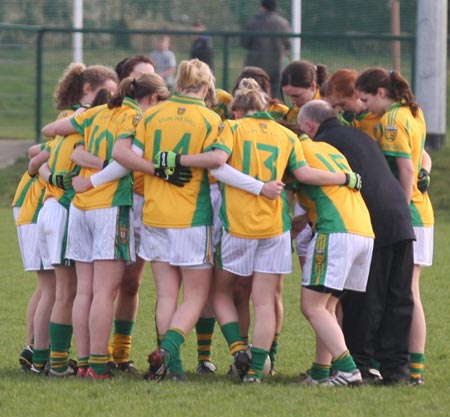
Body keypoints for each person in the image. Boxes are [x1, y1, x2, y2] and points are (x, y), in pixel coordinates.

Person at [152, 78, 362, 384]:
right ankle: (256, 372)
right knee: (264, 302)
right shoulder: (285, 134)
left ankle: (235, 348)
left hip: (239, 226)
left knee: (220, 293)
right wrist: (344, 178)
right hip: (276, 228)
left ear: (237, 111)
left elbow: (217, 162)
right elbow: (303, 174)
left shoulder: (232, 129)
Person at [42, 74, 167, 379]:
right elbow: (123, 159)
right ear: (151, 99)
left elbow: (59, 134)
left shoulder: (97, 112)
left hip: (80, 208)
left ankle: (83, 363)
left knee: (84, 291)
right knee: (104, 292)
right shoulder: (135, 116)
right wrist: (95, 180)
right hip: (108, 205)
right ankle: (99, 365)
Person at [112, 59, 222, 382]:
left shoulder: (153, 115)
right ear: (205, 87)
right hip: (191, 218)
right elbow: (217, 162)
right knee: (197, 296)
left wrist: (157, 167)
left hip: (154, 215)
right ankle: (168, 351)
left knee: (166, 295)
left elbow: (126, 154)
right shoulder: (211, 119)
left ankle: (170, 368)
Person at [297, 99, 417, 385]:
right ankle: (397, 369)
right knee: (399, 297)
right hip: (399, 215)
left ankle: (357, 366)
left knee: (363, 301)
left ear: (309, 127)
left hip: (362, 221)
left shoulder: (322, 145)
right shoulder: (358, 134)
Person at [36, 63, 118, 377]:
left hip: (50, 206)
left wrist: (49, 175)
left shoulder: (66, 120)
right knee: (67, 292)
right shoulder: (90, 121)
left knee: (56, 291)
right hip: (66, 206)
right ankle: (58, 364)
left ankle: (42, 358)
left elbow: (38, 152)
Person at [355, 67, 434, 385]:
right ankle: (412, 368)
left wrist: (398, 210)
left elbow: (404, 168)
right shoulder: (413, 112)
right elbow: (422, 156)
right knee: (406, 291)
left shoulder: (391, 120)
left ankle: (411, 370)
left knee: (408, 293)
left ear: (382, 94)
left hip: (408, 214)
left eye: (365, 99)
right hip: (421, 214)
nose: (363, 106)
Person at [296, 106, 374, 386]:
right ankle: (320, 371)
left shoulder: (298, 148)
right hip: (363, 230)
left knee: (312, 306)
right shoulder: (330, 150)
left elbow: (303, 175)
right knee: (327, 307)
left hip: (336, 231)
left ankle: (349, 370)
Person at [241, 0, 291, 100]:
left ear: (263, 7)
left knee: (253, 92)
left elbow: (244, 43)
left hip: (255, 64)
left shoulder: (254, 22)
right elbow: (288, 43)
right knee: (275, 94)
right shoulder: (282, 23)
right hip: (275, 65)